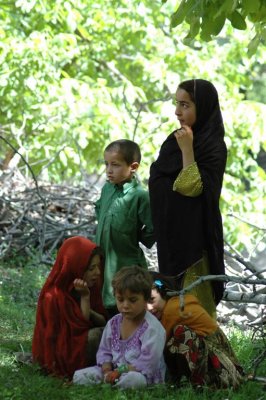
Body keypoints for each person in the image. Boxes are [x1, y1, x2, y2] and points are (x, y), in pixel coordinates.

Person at [149, 79, 227, 317]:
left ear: (201, 107)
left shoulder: (213, 147)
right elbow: (158, 179)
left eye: (185, 105)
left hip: (196, 243)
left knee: (195, 307)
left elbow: (190, 187)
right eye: (177, 104)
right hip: (171, 239)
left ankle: (207, 354)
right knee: (170, 305)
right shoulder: (174, 140)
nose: (177, 111)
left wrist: (187, 150)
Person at [73, 266, 166, 389]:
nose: (125, 305)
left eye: (132, 300)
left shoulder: (153, 329)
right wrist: (107, 371)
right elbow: (104, 352)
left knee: (134, 380)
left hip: (141, 375)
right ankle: (110, 385)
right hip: (113, 373)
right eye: (120, 299)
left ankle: (110, 387)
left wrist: (120, 371)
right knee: (80, 375)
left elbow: (148, 363)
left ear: (146, 300)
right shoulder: (113, 323)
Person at [147, 273, 244, 389]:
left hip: (221, 368)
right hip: (217, 358)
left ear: (164, 293)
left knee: (180, 334)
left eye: (151, 300)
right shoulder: (174, 303)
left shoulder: (172, 310)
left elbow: (158, 347)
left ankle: (196, 383)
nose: (149, 308)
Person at [95, 139, 155, 318]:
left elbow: (153, 226)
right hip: (103, 257)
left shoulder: (140, 196)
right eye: (106, 164)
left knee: (123, 300)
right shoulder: (107, 189)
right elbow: (99, 209)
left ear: (133, 167)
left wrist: (138, 236)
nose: (109, 170)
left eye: (115, 165)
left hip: (125, 262)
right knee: (102, 299)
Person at [32, 236, 106, 380]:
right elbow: (79, 330)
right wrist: (85, 298)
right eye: (91, 268)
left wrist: (87, 306)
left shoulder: (92, 286)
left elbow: (103, 321)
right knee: (98, 336)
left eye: (98, 266)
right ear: (77, 268)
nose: (97, 272)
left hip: (79, 341)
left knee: (108, 332)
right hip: (65, 351)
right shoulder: (53, 296)